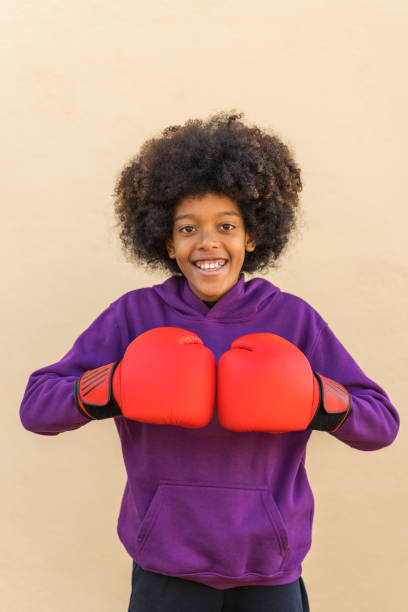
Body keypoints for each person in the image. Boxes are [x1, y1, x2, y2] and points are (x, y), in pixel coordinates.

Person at [19, 110, 400, 612]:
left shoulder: (293, 319)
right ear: (167, 241)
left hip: (269, 569)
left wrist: (317, 399)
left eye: (226, 225)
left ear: (253, 236)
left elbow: (382, 423)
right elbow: (37, 408)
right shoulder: (135, 315)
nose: (207, 243)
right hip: (165, 567)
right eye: (187, 228)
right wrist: (113, 386)